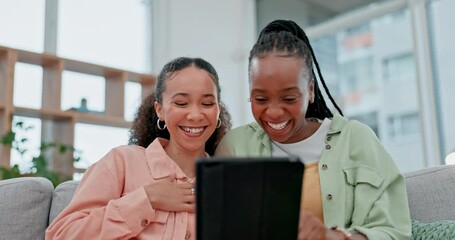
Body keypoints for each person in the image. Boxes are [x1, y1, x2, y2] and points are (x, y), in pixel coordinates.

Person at [215, 20, 411, 240]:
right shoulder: (235, 146)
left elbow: (394, 232)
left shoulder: (355, 139)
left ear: (310, 91)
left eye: (289, 98)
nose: (274, 112)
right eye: (261, 98)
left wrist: (331, 237)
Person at [46, 57, 231, 240]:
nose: (195, 115)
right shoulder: (122, 162)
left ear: (218, 110)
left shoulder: (227, 182)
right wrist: (147, 198)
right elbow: (61, 235)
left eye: (207, 103)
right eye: (181, 103)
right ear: (160, 110)